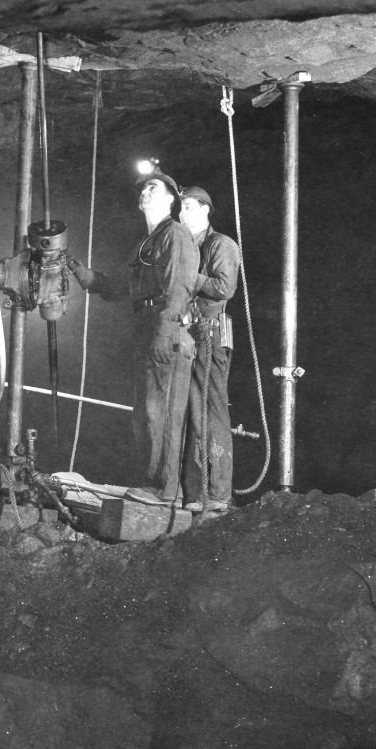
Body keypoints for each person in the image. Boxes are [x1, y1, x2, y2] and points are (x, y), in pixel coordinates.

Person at [70, 169, 198, 503]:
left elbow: (180, 287)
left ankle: (164, 490)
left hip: (166, 331)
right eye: (142, 189)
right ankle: (152, 483)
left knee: (162, 412)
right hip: (148, 327)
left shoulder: (176, 235)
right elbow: (129, 287)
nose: (144, 192)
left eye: (153, 188)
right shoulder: (147, 242)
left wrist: (165, 331)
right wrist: (92, 279)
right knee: (145, 413)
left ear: (171, 198)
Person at [177, 185, 241, 516]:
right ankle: (192, 493)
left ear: (205, 209)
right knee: (189, 411)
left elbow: (223, 287)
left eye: (188, 206)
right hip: (189, 335)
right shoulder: (187, 248)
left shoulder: (221, 244)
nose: (181, 213)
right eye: (180, 207)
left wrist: (186, 275)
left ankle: (216, 493)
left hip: (211, 334)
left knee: (210, 411)